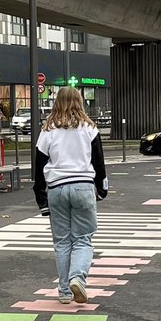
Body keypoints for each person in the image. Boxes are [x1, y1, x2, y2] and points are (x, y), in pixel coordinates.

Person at [33, 86, 108, 303]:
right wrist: (101, 189)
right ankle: (78, 278)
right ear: (79, 101)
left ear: (57, 102)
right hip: (83, 186)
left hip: (56, 189)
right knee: (83, 239)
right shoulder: (89, 128)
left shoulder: (48, 130)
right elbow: (99, 162)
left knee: (62, 242)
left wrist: (41, 198)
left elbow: (39, 167)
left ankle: (65, 291)